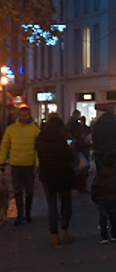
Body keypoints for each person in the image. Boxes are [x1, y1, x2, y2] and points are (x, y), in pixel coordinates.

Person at [34, 114, 75, 246]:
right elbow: (69, 157)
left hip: (47, 176)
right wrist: (71, 148)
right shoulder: (61, 139)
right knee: (66, 203)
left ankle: (54, 235)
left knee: (51, 206)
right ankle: (65, 228)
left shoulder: (40, 139)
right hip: (63, 175)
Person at [0, 104, 41, 226]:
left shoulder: (35, 130)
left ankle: (27, 213)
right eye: (21, 115)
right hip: (16, 164)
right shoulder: (11, 129)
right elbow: (5, 146)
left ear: (29, 115)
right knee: (17, 191)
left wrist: (36, 164)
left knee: (29, 191)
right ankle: (20, 215)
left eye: (25, 115)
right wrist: (1, 161)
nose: (23, 117)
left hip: (29, 165)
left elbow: (37, 149)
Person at [91, 105, 116, 169]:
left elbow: (94, 136)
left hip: (99, 150)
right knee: (113, 170)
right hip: (114, 150)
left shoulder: (98, 122)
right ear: (115, 112)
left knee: (101, 171)